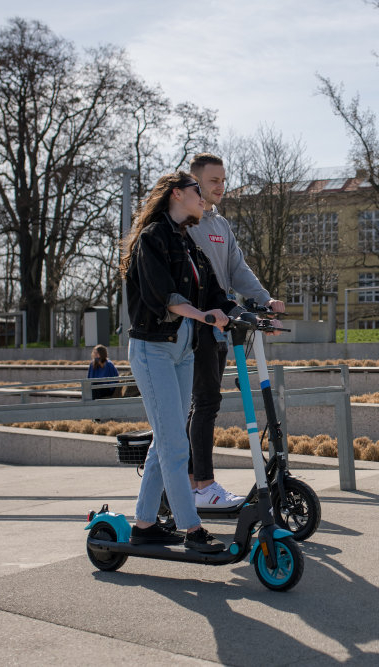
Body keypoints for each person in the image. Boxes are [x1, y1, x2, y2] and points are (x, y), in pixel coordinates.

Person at [120, 170, 236, 552]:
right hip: (153, 350)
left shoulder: (188, 244)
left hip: (183, 352)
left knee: (164, 443)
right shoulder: (152, 240)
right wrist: (204, 316)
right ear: (175, 195)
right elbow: (163, 296)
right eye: (196, 192)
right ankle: (191, 529)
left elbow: (216, 292)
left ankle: (144, 524)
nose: (203, 199)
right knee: (175, 445)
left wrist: (253, 314)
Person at [185, 152, 285, 509]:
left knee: (205, 403)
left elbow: (238, 269)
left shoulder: (221, 226)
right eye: (213, 181)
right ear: (194, 182)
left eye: (223, 180)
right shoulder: (185, 224)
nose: (220, 186)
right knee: (205, 402)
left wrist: (265, 299)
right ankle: (201, 486)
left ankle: (190, 482)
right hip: (194, 327)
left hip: (221, 326)